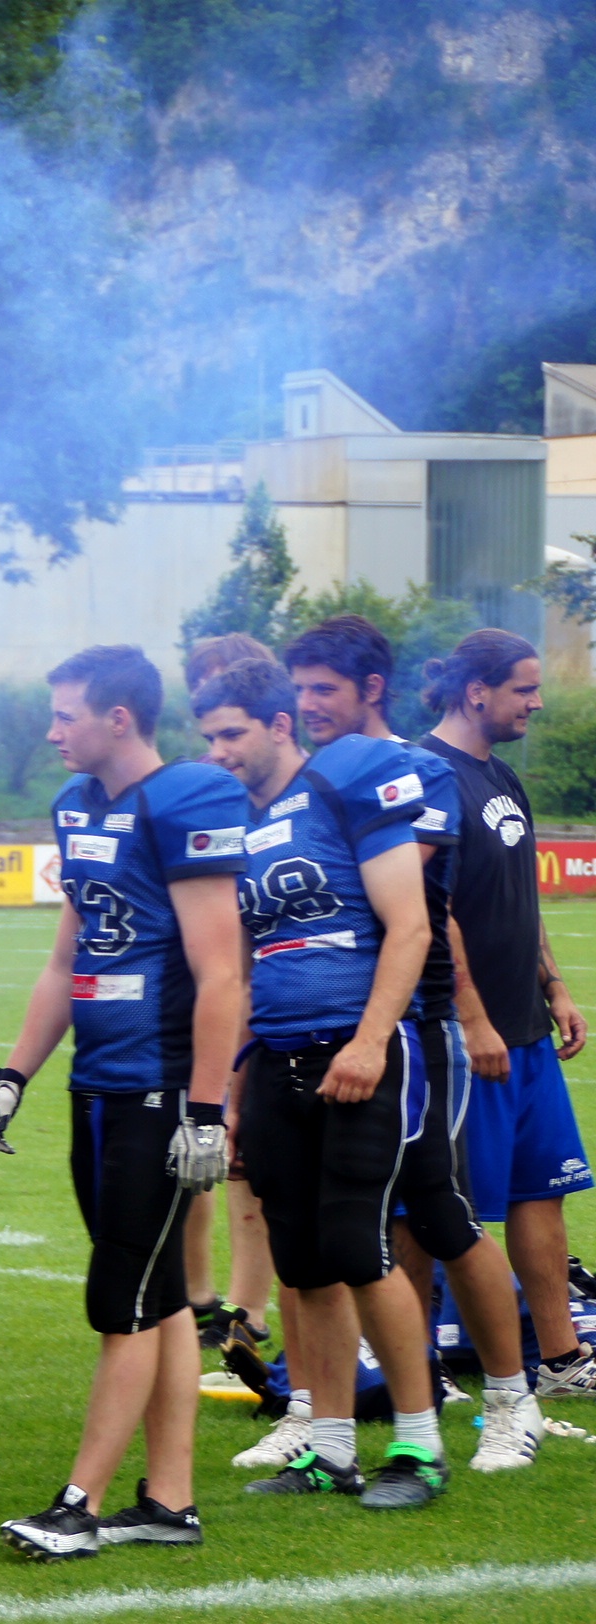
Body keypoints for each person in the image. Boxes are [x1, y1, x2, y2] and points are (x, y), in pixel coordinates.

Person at [0, 645, 244, 1561]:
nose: (53, 730)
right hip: (96, 1081)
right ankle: (169, 1502)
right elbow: (69, 958)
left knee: (122, 1296)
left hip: (158, 1084)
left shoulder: (186, 799)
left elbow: (222, 972)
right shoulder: (78, 804)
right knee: (158, 1293)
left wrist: (205, 1111)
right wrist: (15, 1073)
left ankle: (79, 1505)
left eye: (67, 714)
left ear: (119, 717)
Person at [280, 618, 544, 1473]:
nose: (308, 704)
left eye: (324, 688)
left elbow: (428, 914)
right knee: (339, 1227)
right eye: (300, 688)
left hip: (418, 1027)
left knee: (443, 1212)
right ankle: (329, 1421)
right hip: (340, 1029)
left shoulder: (415, 770)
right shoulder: (312, 775)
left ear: (372, 689)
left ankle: (511, 1402)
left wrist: (470, 1015)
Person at [190, 652, 447, 1509]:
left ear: (279, 725)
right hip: (276, 1059)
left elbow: (410, 926)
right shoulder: (237, 823)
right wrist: (235, 1093)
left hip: (357, 1050)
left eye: (232, 733)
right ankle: (331, 1449)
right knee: (302, 1265)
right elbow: (244, 970)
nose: (218, 751)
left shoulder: (347, 784)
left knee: (361, 1250)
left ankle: (419, 1446)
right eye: (208, 737)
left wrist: (370, 1043)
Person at [419, 628, 596, 1399]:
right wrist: (473, 1018)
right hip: (467, 1039)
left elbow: (522, 900)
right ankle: (422, 1369)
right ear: (475, 691)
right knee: (443, 1209)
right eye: (524, 688)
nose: (538, 701)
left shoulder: (503, 777)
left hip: (525, 1030)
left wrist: (554, 986)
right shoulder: (428, 775)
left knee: (541, 1193)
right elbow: (431, 909)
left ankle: (561, 1362)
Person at [181, 632, 280, 1351]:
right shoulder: (202, 789)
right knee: (201, 1149)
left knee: (251, 1164)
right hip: (213, 994)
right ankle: (200, 1298)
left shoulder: (289, 792)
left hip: (273, 1000)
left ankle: (250, 1308)